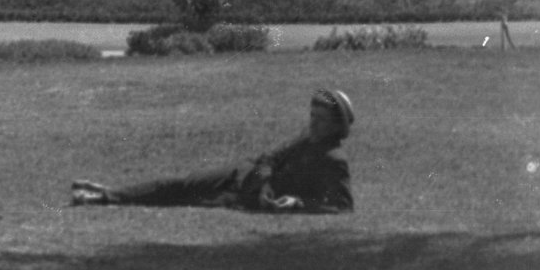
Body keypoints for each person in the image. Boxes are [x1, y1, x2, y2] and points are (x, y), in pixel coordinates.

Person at [70, 88, 355, 213]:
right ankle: (106, 194)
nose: (312, 124)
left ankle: (104, 198)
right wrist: (266, 182)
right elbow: (269, 157)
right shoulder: (305, 139)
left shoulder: (334, 160)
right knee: (183, 184)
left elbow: (342, 207)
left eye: (320, 119)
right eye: (312, 116)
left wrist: (298, 204)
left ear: (335, 126)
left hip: (245, 198)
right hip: (244, 174)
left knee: (186, 200)